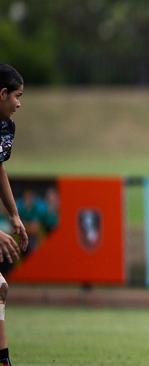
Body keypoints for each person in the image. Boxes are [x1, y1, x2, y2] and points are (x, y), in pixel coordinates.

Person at [0, 64, 30, 366]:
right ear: (2, 94)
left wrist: (14, 214)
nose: (19, 103)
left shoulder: (5, 128)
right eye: (17, 96)